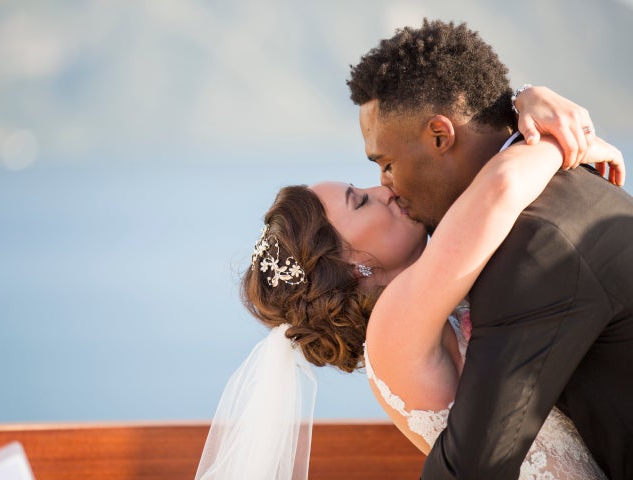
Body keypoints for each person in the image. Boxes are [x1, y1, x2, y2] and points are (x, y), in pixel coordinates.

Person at [194, 90, 624, 478]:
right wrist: (563, 141)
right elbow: (500, 187)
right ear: (350, 268)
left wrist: (524, 100)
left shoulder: (424, 307)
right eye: (359, 200)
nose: (383, 188)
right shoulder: (393, 327)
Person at [346, 19, 633, 479]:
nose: (386, 186)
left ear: (440, 136)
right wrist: (524, 100)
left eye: (387, 163)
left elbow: (477, 467)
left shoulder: (530, 247)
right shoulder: (553, 184)